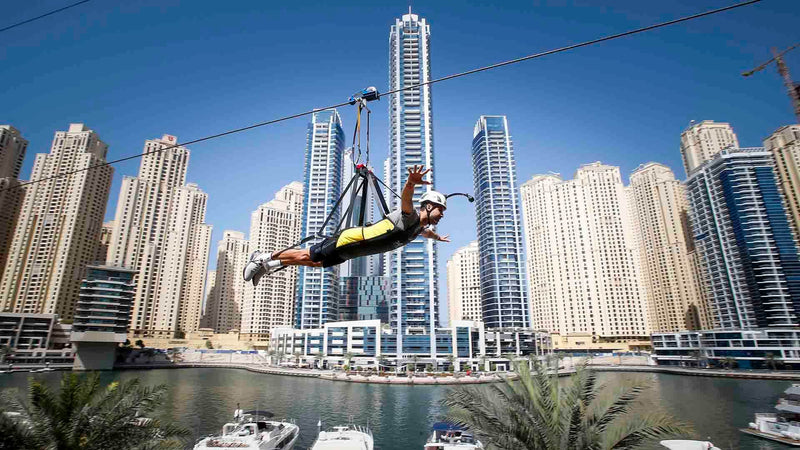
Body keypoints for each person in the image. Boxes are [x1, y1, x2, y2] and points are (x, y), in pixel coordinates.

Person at [243, 165, 449, 286]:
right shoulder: (409, 216)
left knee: (315, 263)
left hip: (352, 252)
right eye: (441, 210)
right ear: (429, 206)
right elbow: (406, 197)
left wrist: (438, 238)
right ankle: (262, 257)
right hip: (350, 240)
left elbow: (426, 233)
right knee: (307, 255)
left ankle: (271, 265)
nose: (442, 215)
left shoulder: (418, 228)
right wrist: (411, 182)